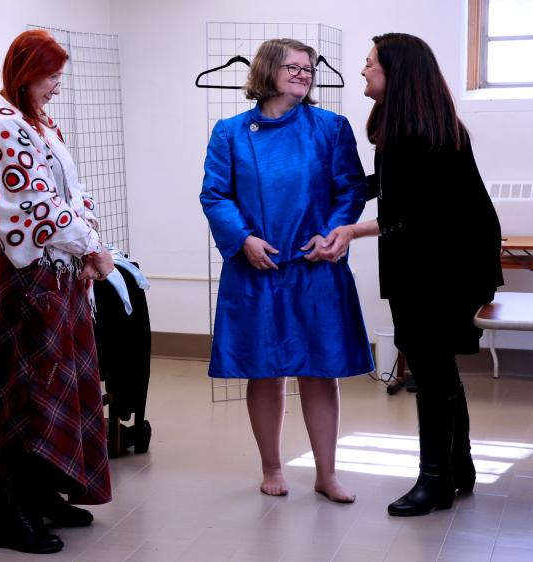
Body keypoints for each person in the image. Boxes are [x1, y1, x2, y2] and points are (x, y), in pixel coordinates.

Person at [321, 32, 503, 516]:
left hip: (446, 265)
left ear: (395, 73)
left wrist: (349, 231)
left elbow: (415, 213)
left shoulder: (420, 133)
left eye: (369, 63)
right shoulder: (411, 124)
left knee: (431, 367)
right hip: (436, 259)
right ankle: (458, 468)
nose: (363, 70)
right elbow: (393, 186)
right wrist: (338, 188)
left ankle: (435, 483)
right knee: (437, 366)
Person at [200, 38, 374, 503]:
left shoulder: (331, 128)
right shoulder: (230, 133)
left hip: (316, 264)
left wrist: (335, 232)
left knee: (320, 371)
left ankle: (326, 473)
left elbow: (350, 189)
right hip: (258, 265)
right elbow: (215, 195)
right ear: (266, 71)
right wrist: (242, 239)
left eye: (309, 68)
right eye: (293, 67)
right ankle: (272, 467)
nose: (303, 74)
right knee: (265, 370)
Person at [0, 29, 115, 553]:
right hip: (34, 277)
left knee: (61, 389)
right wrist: (92, 250)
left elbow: (71, 195)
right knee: (30, 395)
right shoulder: (1, 127)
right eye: (52, 77)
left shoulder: (36, 122)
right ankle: (11, 512)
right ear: (26, 73)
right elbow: (39, 208)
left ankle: (44, 492)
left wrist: (92, 245)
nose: (57, 87)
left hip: (60, 272)